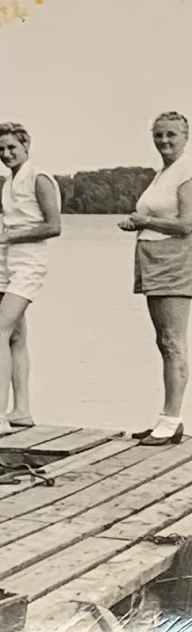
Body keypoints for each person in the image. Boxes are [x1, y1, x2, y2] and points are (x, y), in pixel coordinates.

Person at [119, 111, 192, 446]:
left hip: (174, 263)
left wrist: (141, 222)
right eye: (159, 135)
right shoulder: (164, 172)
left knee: (174, 342)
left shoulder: (187, 172)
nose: (164, 140)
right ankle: (166, 417)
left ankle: (173, 418)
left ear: (185, 136)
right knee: (163, 342)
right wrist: (141, 223)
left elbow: (187, 225)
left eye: (171, 135)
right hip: (153, 261)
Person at [0, 122, 62, 434]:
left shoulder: (39, 178)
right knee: (15, 336)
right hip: (6, 262)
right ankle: (22, 411)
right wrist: (3, 240)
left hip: (29, 262)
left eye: (12, 147)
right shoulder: (9, 182)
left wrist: (7, 238)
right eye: (1, 149)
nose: (6, 153)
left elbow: (54, 226)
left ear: (26, 145)